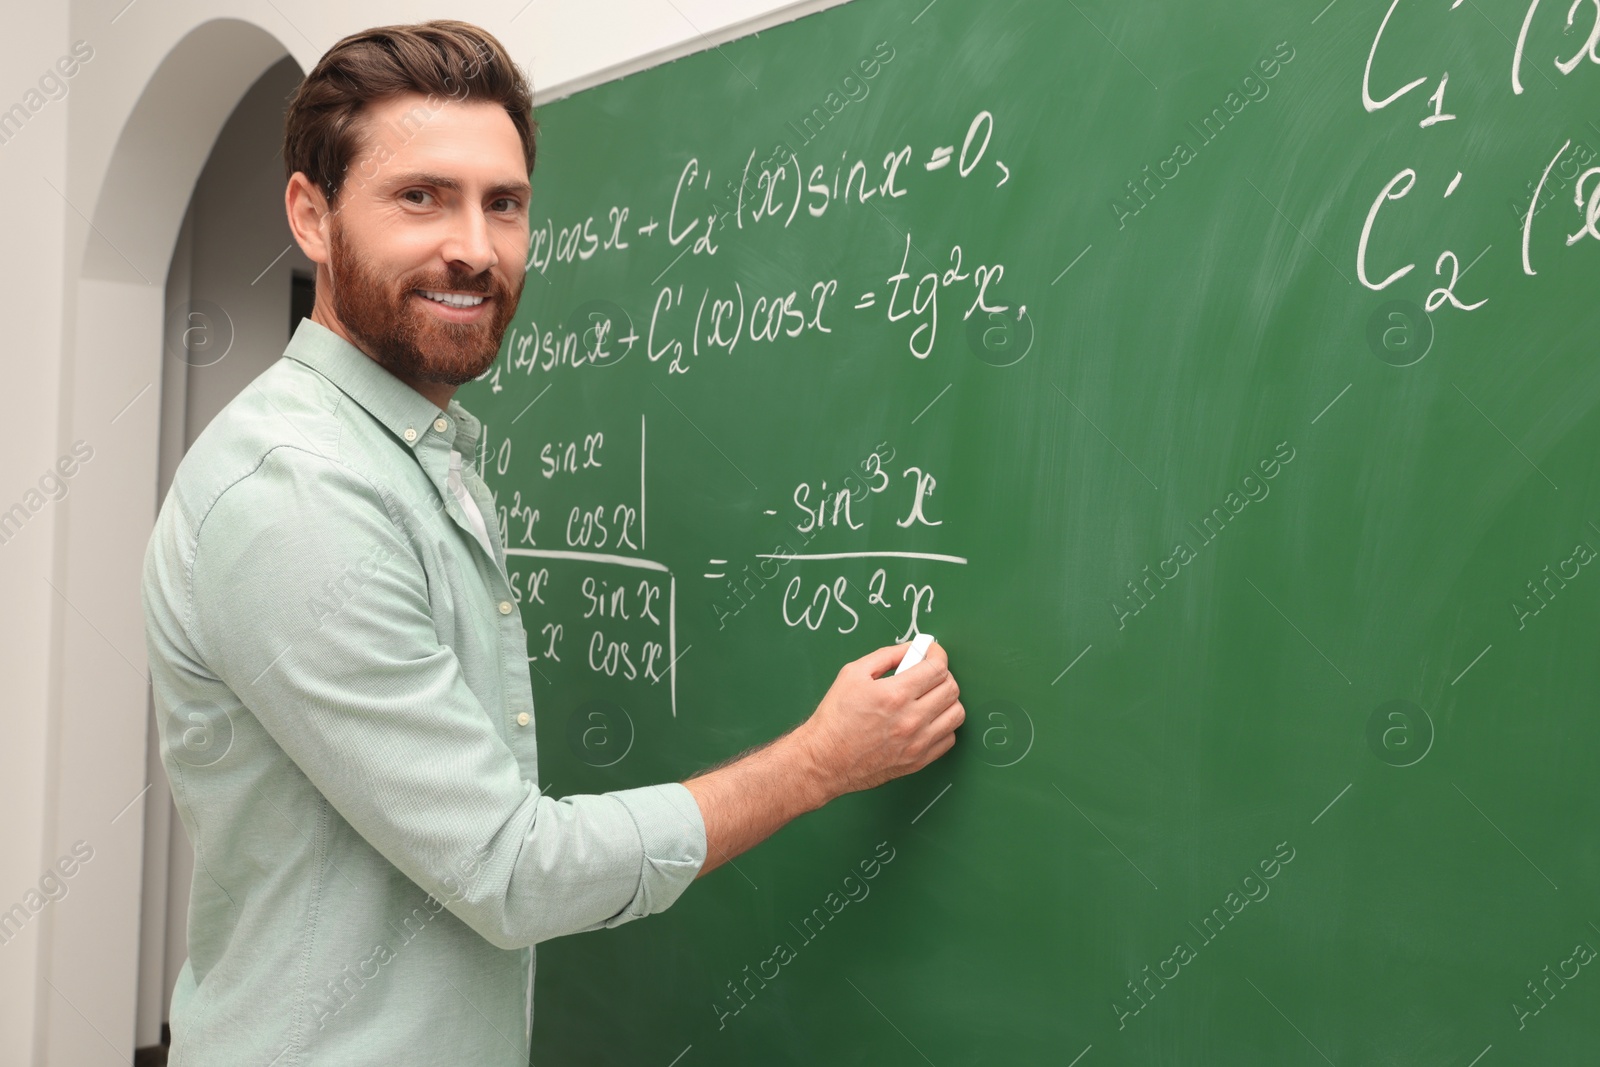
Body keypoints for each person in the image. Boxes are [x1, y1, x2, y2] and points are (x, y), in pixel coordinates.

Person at [140, 19, 963, 1065]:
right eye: (419, 195)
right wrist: (819, 761)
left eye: (505, 204)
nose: (474, 249)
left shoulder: (408, 452)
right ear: (312, 214)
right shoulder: (298, 494)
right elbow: (511, 867)